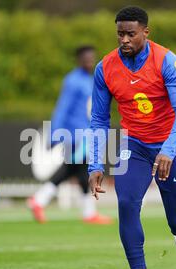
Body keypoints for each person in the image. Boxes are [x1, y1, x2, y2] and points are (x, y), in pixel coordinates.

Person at [88, 6, 176, 269]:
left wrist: (168, 149)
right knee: (126, 203)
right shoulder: (105, 67)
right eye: (120, 34)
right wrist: (94, 165)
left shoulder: (167, 61)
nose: (124, 40)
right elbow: (99, 120)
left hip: (170, 146)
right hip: (134, 145)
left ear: (145, 32)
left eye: (130, 34)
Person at [27, 46, 113, 225]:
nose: (90, 62)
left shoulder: (90, 80)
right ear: (79, 60)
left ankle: (85, 212)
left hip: (85, 134)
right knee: (74, 169)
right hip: (74, 135)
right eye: (86, 59)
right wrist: (54, 134)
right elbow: (62, 108)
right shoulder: (73, 81)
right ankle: (40, 200)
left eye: (92, 58)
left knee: (77, 170)